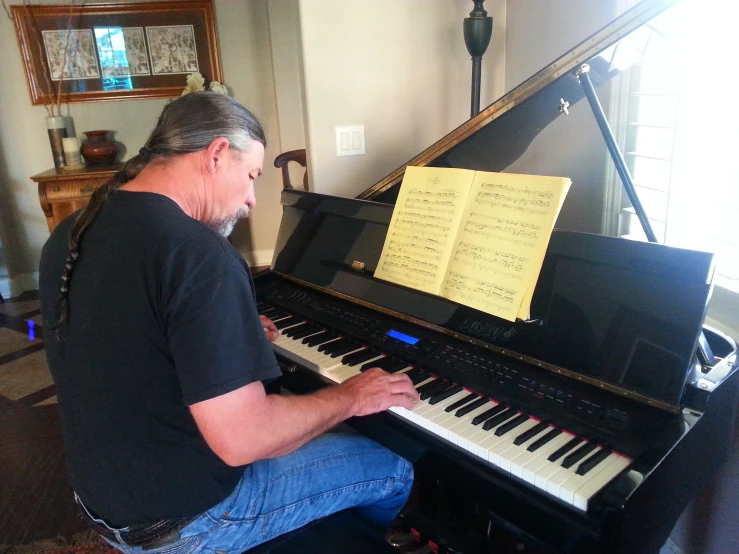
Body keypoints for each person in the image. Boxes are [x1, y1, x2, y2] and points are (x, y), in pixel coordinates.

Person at [39, 92, 420, 554]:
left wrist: (219, 333)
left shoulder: (75, 228)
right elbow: (246, 439)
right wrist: (351, 395)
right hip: (189, 521)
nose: (251, 200)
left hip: (104, 503)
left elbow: (122, 337)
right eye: (251, 176)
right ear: (217, 154)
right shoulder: (199, 254)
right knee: (394, 467)